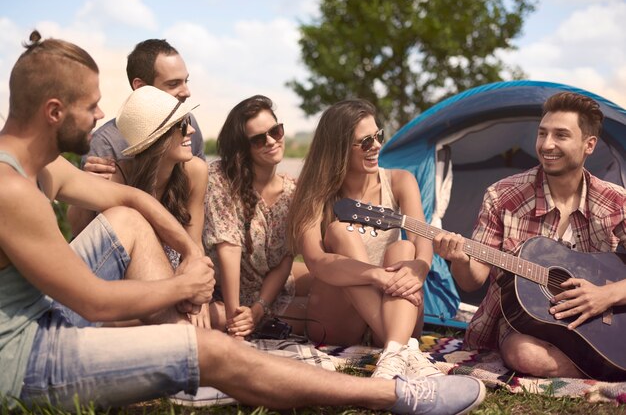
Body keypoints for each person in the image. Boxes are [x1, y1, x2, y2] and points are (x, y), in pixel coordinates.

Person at [0, 32, 486, 414]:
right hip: (24, 361)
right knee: (213, 351)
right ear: (54, 112)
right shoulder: (11, 191)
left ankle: (177, 342)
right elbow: (90, 299)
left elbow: (128, 199)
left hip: (43, 316)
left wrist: (190, 253)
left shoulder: (44, 166)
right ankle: (394, 396)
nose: (100, 115)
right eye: (91, 106)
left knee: (127, 218)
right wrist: (183, 286)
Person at [432, 91, 626, 378]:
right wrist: (459, 259)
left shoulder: (616, 201)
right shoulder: (502, 196)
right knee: (524, 355)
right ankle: (607, 370)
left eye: (560, 135)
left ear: (589, 145)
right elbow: (472, 281)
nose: (547, 145)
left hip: (601, 323)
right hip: (526, 326)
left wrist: (605, 295)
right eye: (542, 133)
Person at [287, 99, 442, 380]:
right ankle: (403, 349)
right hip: (339, 319)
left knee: (405, 247)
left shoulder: (399, 181)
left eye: (378, 136)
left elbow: (422, 238)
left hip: (397, 310)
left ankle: (394, 351)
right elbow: (316, 261)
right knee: (339, 231)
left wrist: (421, 267)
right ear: (339, 148)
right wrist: (374, 276)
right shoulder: (315, 194)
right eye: (365, 142)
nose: (376, 146)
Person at [66, 85, 210, 328]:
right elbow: (81, 232)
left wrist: (200, 299)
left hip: (175, 286)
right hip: (128, 293)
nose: (192, 130)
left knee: (213, 317)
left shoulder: (195, 172)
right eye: (183, 125)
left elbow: (194, 244)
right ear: (158, 138)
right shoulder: (117, 175)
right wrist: (88, 189)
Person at [67, 38, 205, 236]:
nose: (186, 92)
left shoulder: (188, 124)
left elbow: (193, 202)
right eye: (174, 84)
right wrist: (85, 186)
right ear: (140, 87)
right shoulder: (105, 144)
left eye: (186, 81)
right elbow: (86, 231)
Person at [204, 95, 310, 337]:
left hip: (267, 296)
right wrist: (236, 319)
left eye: (276, 131)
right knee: (213, 319)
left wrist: (259, 308)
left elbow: (284, 262)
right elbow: (228, 249)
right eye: (259, 139)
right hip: (222, 296)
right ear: (243, 148)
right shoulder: (221, 179)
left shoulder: (292, 194)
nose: (271, 141)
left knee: (332, 305)